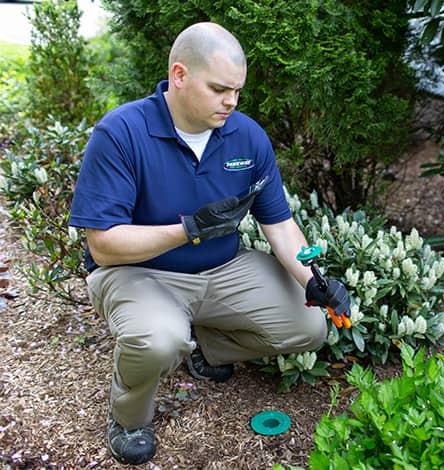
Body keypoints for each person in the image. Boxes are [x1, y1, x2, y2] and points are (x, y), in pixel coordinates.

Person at [69, 22, 350, 465]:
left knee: (309, 326)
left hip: (222, 270)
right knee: (158, 339)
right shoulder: (121, 133)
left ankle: (202, 347)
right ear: (179, 75)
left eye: (237, 90)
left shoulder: (247, 136)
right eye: (220, 89)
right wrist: (187, 230)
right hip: (139, 273)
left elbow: (280, 225)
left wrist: (313, 280)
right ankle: (128, 419)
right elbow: (103, 246)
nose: (231, 102)